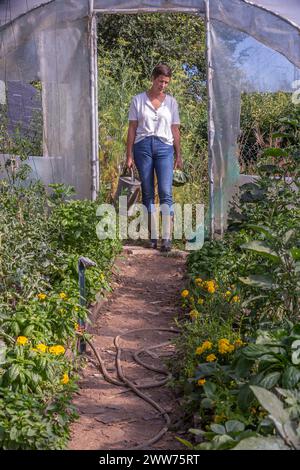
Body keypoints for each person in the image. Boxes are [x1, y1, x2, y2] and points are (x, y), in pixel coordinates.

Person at [126, 63, 183, 252]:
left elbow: (175, 129)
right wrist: (129, 155)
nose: (163, 85)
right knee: (148, 192)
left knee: (166, 192)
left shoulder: (172, 103)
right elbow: (132, 128)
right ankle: (152, 237)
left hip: (165, 148)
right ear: (153, 78)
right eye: (160, 81)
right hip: (143, 147)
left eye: (166, 82)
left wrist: (178, 155)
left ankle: (166, 238)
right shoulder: (138, 100)